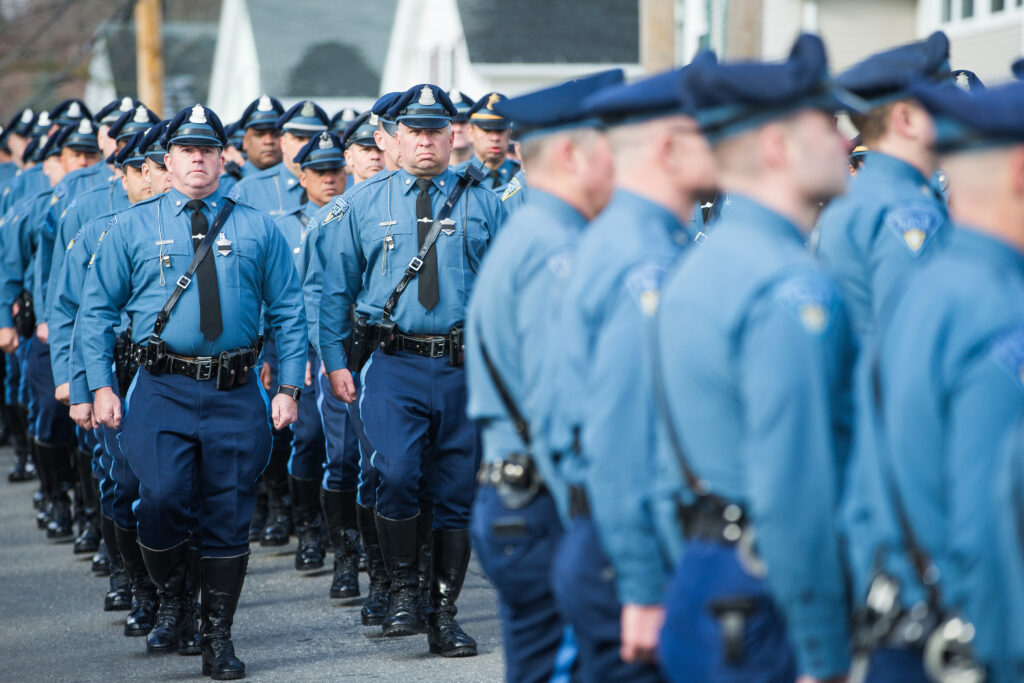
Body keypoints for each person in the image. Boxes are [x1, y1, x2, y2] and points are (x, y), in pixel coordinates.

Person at [652, 35, 859, 681]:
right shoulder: (786, 284)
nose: (846, 140)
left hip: (709, 567)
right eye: (827, 123)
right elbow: (794, 482)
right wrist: (824, 650)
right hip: (765, 587)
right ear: (777, 145)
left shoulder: (704, 261)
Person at [77, 103, 307, 680]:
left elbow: (288, 309)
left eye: (208, 149)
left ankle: (217, 636)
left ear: (223, 159)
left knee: (227, 512)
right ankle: (173, 599)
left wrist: (289, 386)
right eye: (186, 150)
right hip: (162, 388)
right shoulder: (131, 227)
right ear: (168, 159)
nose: (198, 159)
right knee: (159, 500)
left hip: (235, 390)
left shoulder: (257, 226)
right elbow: (96, 312)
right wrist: (100, 385)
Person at [540, 60, 720, 682]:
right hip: (625, 544)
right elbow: (619, 436)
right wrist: (641, 582)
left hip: (616, 534)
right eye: (709, 130)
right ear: (669, 147)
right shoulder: (642, 258)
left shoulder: (645, 239)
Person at [842, 79, 1024, 682]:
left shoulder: (918, 293)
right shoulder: (1000, 309)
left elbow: (863, 495)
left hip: (904, 628)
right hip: (976, 644)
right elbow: (990, 522)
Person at [318, 83, 505, 656]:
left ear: (453, 136)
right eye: (415, 132)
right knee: (396, 474)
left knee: (456, 490)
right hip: (393, 363)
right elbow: (335, 290)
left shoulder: (484, 202)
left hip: (462, 366)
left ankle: (442, 612)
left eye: (435, 131)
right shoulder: (363, 204)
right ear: (395, 140)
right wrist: (335, 361)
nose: (425, 141)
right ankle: (402, 588)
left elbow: (509, 291)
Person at [465, 68, 624, 683]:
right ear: (569, 155)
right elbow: (564, 407)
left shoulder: (544, 234)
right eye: (608, 147)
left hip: (525, 498)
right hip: (544, 502)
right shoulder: (556, 249)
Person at [816, 31, 953, 338]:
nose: (957, 115)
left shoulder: (856, 195)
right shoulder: (907, 212)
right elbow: (918, 339)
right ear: (905, 119)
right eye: (945, 105)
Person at [272, 131, 347, 573]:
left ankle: (346, 537)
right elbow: (279, 299)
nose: (329, 178)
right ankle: (309, 530)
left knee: (349, 448)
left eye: (336, 170)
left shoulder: (355, 215)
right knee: (309, 437)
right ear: (303, 177)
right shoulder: (284, 227)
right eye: (319, 172)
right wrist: (285, 356)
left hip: (348, 348)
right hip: (305, 352)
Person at [229, 100, 329, 217]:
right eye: (299, 138)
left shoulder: (342, 186)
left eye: (314, 139)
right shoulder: (248, 190)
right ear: (283, 143)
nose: (306, 145)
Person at [455, 92, 521, 193]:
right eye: (487, 131)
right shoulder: (457, 176)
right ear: (471, 132)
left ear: (509, 132)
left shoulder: (523, 176)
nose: (495, 138)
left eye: (500, 130)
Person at [448, 90, 475, 166]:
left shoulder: (490, 167)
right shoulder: (429, 169)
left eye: (463, 123)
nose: (458, 129)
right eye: (452, 123)